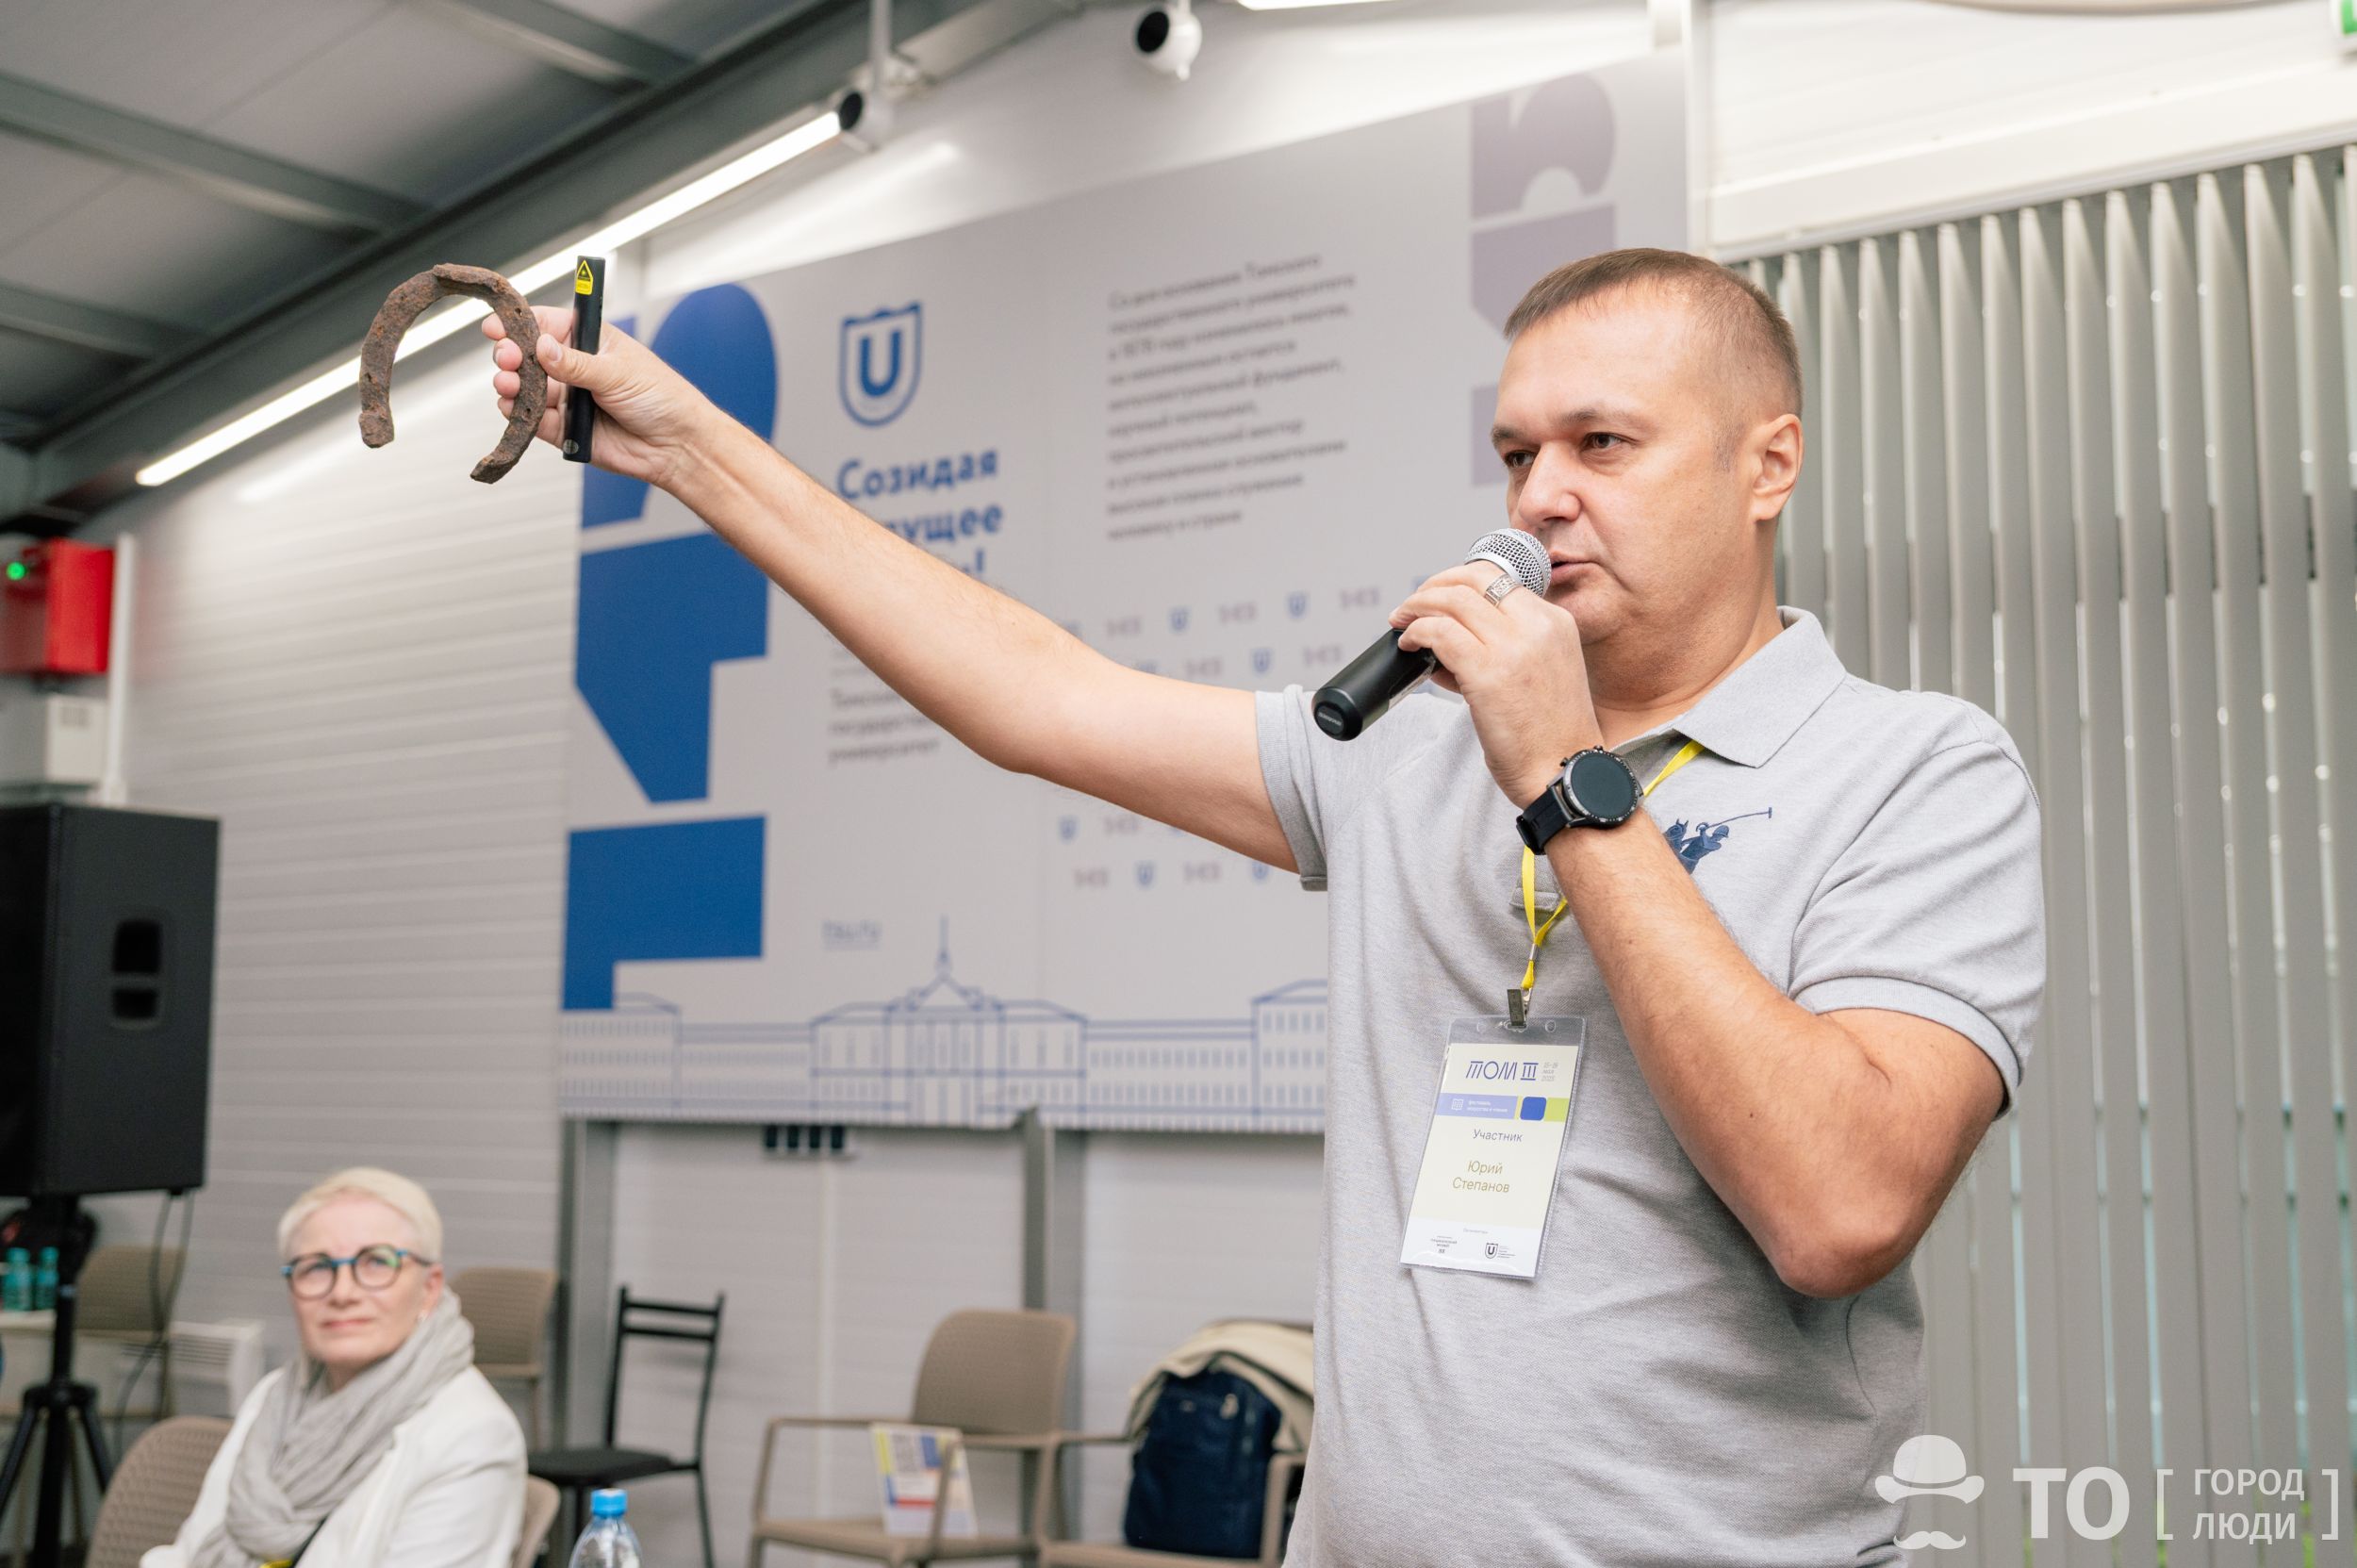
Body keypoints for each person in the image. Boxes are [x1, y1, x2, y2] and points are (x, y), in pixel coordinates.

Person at [486, 245, 2044, 1565]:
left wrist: (1565, 776)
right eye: (1517, 454)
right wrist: (690, 448)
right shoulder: (1409, 752)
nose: (1540, 501)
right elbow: (1036, 693)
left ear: (1769, 464)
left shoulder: (1917, 769)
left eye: (1603, 445)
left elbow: (1838, 1208)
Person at [146, 1168, 524, 1568]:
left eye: (376, 1262)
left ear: (429, 1288)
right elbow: (191, 1550)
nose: (343, 1293)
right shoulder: (274, 1397)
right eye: (316, 1267)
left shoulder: (473, 1435)